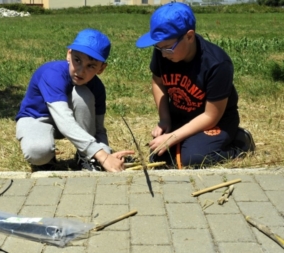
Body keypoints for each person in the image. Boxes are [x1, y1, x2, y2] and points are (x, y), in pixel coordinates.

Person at [135, 2, 255, 169]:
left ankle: (239, 144)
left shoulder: (217, 64)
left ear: (189, 36)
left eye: (168, 48)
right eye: (159, 47)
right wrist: (165, 119)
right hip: (182, 116)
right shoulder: (163, 51)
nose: (162, 53)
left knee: (192, 159)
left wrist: (173, 137)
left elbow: (211, 116)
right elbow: (158, 82)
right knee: (159, 158)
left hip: (216, 121)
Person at [16, 28, 134, 172]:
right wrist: (102, 156)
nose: (80, 70)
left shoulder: (97, 87)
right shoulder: (52, 74)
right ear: (68, 54)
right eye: (77, 60)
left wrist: (106, 152)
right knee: (38, 153)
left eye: (91, 66)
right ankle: (47, 157)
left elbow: (98, 129)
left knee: (82, 93)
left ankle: (85, 156)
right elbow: (64, 120)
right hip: (37, 118)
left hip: (69, 121)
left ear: (101, 68)